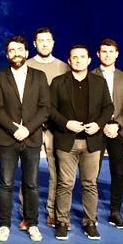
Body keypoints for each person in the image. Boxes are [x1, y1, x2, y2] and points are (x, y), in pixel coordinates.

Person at [48, 45, 113, 241]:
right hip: (67, 141)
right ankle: (62, 222)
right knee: (65, 183)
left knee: (90, 184)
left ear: (89, 60)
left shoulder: (99, 82)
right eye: (74, 57)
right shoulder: (58, 82)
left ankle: (90, 222)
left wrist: (99, 124)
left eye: (82, 57)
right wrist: (66, 123)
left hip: (92, 142)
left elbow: (108, 107)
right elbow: (50, 109)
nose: (78, 60)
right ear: (69, 60)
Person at [0, 35, 51, 243]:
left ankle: (32, 223)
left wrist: (28, 129)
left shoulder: (39, 76)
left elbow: (45, 107)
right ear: (7, 55)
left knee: (32, 184)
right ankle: (4, 224)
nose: (16, 53)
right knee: (6, 183)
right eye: (12, 50)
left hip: (32, 138)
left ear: (26, 52)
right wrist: (14, 129)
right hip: (8, 138)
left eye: (19, 49)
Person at [27, 27, 69, 227]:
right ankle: (27, 215)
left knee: (57, 171)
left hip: (55, 127)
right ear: (34, 44)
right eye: (40, 40)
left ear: (53, 43)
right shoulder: (26, 65)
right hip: (32, 127)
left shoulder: (63, 67)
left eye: (48, 40)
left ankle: (53, 212)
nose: (44, 43)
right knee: (29, 171)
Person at [92, 38, 123, 229]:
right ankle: (90, 213)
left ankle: (115, 212)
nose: (107, 55)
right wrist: (102, 125)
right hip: (96, 130)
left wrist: (116, 124)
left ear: (116, 54)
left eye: (111, 52)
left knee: (118, 173)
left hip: (118, 130)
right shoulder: (90, 75)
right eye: (104, 51)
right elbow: (89, 107)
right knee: (92, 173)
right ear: (98, 54)